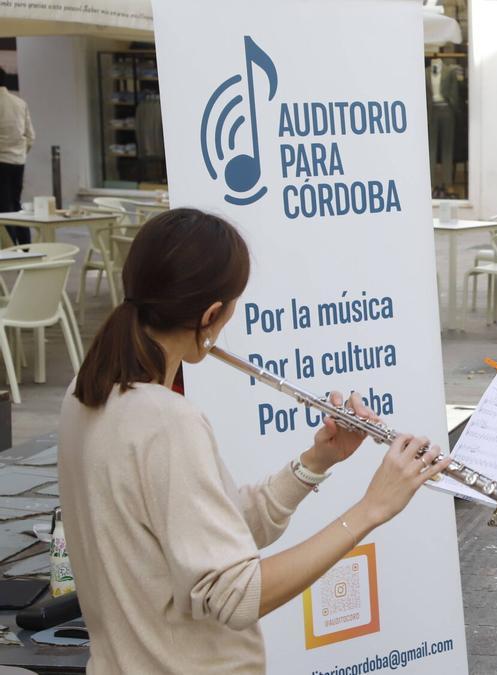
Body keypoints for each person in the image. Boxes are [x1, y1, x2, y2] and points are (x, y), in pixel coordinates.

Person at [58, 209, 451, 673]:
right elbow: (236, 595)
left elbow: (205, 532)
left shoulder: (85, 393)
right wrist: (371, 510)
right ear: (210, 315)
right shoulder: (165, 421)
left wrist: (316, 461)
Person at [0, 68, 35, 246]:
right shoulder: (19, 103)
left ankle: (9, 245)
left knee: (4, 206)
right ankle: (25, 242)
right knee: (15, 202)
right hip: (18, 161)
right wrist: (20, 153)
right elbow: (31, 136)